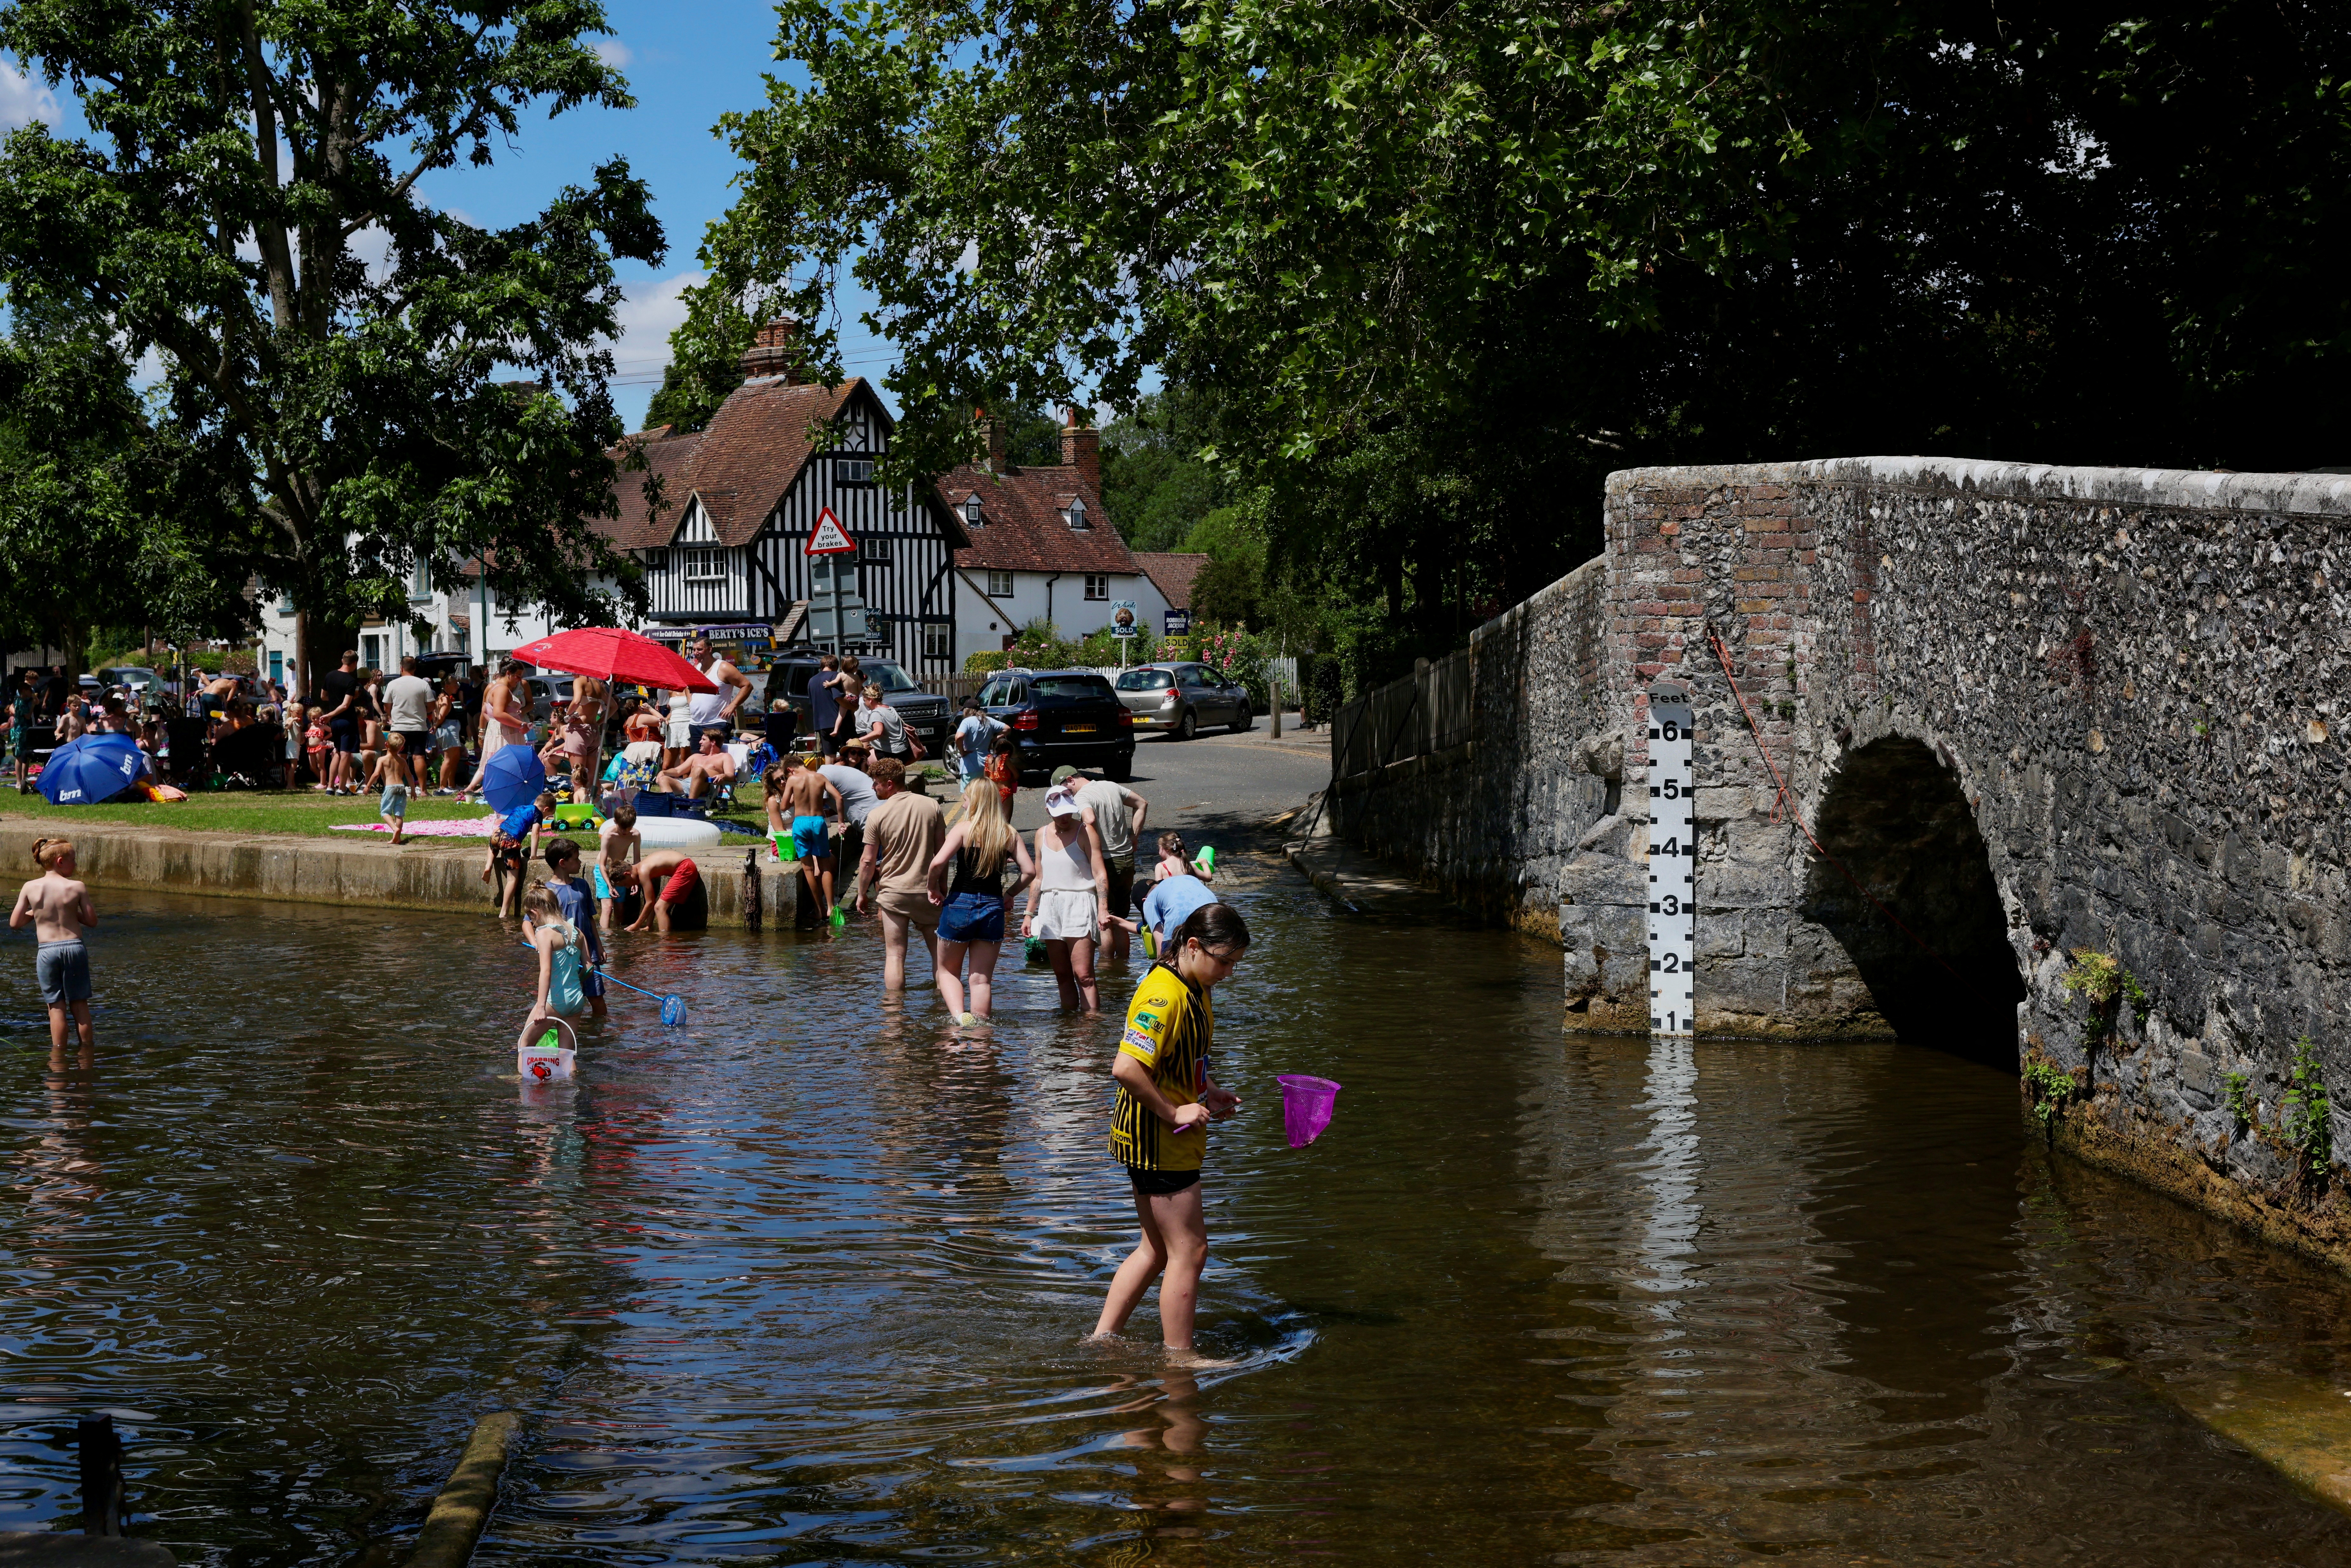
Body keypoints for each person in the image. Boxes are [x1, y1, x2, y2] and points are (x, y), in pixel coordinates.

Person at [1091, 903, 1250, 1356]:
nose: (1229, 972)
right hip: (1157, 1139)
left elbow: (1180, 1056)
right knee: (1191, 1250)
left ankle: (1102, 1339)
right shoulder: (1163, 994)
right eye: (1225, 961)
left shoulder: (1194, 984)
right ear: (1194, 946)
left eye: (1235, 963)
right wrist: (1173, 1111)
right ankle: (1180, 1359)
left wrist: (1210, 1089)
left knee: (1158, 1248)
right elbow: (1125, 1067)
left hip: (1160, 1139)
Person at [925, 778, 1034, 1023]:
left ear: (974, 802)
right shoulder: (1008, 833)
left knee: (947, 971)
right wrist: (1009, 895)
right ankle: (982, 1033)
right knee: (981, 978)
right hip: (993, 907)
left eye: (965, 800)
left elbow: (937, 863)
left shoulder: (964, 829)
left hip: (960, 905)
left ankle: (959, 1018)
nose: (963, 805)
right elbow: (1029, 872)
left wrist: (932, 888)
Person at [854, 757, 946, 991]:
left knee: (895, 956)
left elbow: (867, 860)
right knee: (940, 957)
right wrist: (942, 888)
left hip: (893, 893)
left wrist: (862, 893)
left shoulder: (877, 815)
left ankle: (894, 1017)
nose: (873, 787)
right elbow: (942, 854)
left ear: (889, 784)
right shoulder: (932, 807)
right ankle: (944, 1007)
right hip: (927, 891)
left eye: (876, 783)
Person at [1023, 779, 1110, 1011]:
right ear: (1048, 811)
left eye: (1068, 812)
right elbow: (1038, 877)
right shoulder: (1041, 835)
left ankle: (1091, 1026)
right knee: (1061, 974)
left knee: (1083, 975)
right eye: (1059, 813)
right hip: (1051, 905)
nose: (1064, 818)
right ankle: (1069, 1025)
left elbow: (1100, 872)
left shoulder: (1085, 831)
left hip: (1080, 902)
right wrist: (1029, 913)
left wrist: (1103, 909)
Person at [10, 837, 98, 1065]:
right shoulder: (77, 886)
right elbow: (92, 921)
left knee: (56, 1007)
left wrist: (37, 912)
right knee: (79, 1004)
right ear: (61, 861)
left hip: (47, 951)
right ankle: (87, 1057)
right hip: (74, 948)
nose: (76, 865)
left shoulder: (30, 887)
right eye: (74, 861)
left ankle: (59, 1059)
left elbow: (15, 923)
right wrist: (71, 912)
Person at [1061, 764, 1149, 962]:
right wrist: (1133, 837)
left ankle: (1107, 968)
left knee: (1106, 919)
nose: (1066, 797)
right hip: (1126, 860)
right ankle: (1123, 966)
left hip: (1106, 864)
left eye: (1065, 791)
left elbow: (1089, 818)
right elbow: (1142, 803)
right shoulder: (1111, 785)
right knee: (1120, 919)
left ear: (1071, 780)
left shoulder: (1081, 796)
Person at [541, 838, 609, 1019]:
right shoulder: (547, 892)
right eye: (577, 859)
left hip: (589, 954)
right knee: (561, 1000)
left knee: (597, 999)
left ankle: (598, 1037)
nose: (580, 862)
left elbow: (590, 919)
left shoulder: (582, 886)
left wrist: (599, 946)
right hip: (563, 958)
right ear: (563, 863)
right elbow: (528, 922)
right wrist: (538, 944)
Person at [517, 881, 590, 1050]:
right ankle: (573, 1077)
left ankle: (521, 1078)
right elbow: (589, 968)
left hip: (555, 1001)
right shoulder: (578, 932)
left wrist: (541, 1008)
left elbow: (546, 972)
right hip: (576, 999)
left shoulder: (544, 934)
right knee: (567, 1052)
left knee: (525, 1045)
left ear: (534, 912)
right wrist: (576, 981)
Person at [778, 753, 846, 921]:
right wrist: (841, 822)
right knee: (825, 866)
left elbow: (784, 806)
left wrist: (796, 797)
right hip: (818, 822)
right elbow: (839, 797)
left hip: (801, 823)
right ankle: (831, 907)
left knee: (808, 869)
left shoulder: (793, 781)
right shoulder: (820, 777)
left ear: (790, 770)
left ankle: (819, 910)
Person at [460, 662, 531, 800]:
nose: (519, 680)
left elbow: (487, 711)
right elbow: (498, 714)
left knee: (498, 763)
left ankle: (491, 792)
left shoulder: (495, 687)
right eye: (518, 676)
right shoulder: (502, 689)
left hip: (501, 730)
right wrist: (521, 724)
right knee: (506, 765)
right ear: (509, 673)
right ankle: (499, 795)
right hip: (506, 733)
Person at [484, 787, 555, 918]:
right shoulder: (538, 814)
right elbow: (536, 833)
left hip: (497, 835)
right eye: (548, 816)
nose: (545, 818)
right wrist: (534, 855)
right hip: (510, 842)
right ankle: (504, 913)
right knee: (513, 880)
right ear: (545, 809)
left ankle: (489, 865)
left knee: (493, 846)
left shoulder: (521, 807)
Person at [1139, 840, 1219, 954]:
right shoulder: (1189, 865)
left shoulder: (1161, 867)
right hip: (1202, 908)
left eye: (1160, 848)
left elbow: (1158, 889)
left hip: (1174, 910)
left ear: (1165, 849)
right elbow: (1208, 877)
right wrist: (1205, 864)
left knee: (1171, 950)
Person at [383, 655, 436, 789]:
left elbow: (386, 706)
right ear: (415, 669)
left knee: (399, 756)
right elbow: (431, 706)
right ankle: (423, 790)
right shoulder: (423, 684)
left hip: (399, 727)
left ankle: (397, 786)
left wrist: (391, 714)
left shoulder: (393, 684)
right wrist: (423, 711)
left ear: (401, 668)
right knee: (419, 758)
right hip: (419, 726)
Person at [687, 637, 752, 745]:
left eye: (699, 649)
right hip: (696, 724)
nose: (696, 653)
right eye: (694, 650)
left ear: (710, 649)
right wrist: (691, 700)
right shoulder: (696, 668)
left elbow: (747, 686)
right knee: (698, 761)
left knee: (717, 760)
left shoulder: (723, 667)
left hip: (716, 723)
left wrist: (733, 705)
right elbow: (688, 686)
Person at [625, 849, 707, 934]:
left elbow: (650, 903)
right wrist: (648, 926)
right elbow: (651, 902)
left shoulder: (643, 872)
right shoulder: (642, 867)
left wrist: (636, 925)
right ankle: (665, 938)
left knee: (660, 908)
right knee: (659, 906)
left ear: (627, 874)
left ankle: (665, 941)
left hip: (685, 868)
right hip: (685, 866)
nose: (627, 887)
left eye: (625, 884)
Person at [820, 748, 877, 869]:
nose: (856, 756)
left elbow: (820, 806)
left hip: (872, 818)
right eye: (853, 752)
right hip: (880, 813)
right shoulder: (835, 771)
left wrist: (840, 822)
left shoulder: (823, 775)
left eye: (860, 754)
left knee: (874, 863)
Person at [315, 649, 363, 793]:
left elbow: (323, 696)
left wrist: (332, 713)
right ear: (354, 663)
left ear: (343, 660)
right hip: (347, 720)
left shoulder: (330, 676)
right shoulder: (351, 681)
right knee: (346, 754)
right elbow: (346, 705)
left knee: (337, 752)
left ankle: (330, 787)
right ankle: (342, 788)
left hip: (335, 722)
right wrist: (330, 715)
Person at [595, 801, 642, 930]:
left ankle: (616, 936)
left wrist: (635, 882)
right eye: (622, 827)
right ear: (615, 821)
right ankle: (605, 937)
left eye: (629, 828)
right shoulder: (609, 835)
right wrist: (610, 885)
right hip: (604, 871)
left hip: (619, 872)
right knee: (608, 907)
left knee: (620, 907)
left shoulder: (635, 835)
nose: (625, 831)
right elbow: (602, 865)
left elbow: (637, 862)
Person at [656, 729, 738, 799]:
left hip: (708, 785)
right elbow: (678, 771)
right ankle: (670, 807)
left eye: (704, 740)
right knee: (664, 779)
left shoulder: (725, 757)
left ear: (713, 742)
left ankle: (691, 803)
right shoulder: (696, 757)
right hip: (687, 784)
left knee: (698, 770)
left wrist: (723, 776)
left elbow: (731, 776)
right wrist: (663, 772)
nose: (700, 742)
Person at [365, 733, 411, 843]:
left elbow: (376, 774)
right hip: (401, 788)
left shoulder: (382, 760)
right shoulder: (403, 761)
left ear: (386, 745)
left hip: (390, 788)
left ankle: (395, 829)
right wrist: (413, 791)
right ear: (402, 748)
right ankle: (398, 838)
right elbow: (409, 775)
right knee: (399, 814)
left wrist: (368, 786)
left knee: (385, 812)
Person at [954, 695, 1004, 784]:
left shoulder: (967, 721)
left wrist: (962, 752)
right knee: (984, 793)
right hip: (986, 764)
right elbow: (1007, 729)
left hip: (970, 766)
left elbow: (959, 737)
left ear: (967, 710)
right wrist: (992, 740)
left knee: (969, 795)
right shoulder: (989, 720)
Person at [857, 683, 912, 763]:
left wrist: (858, 740)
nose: (865, 704)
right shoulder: (890, 709)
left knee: (863, 760)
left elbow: (878, 732)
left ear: (870, 699)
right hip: (902, 751)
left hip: (890, 754)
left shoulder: (877, 713)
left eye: (865, 701)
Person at [431, 678, 466, 792]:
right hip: (448, 730)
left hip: (448, 730)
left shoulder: (441, 697)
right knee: (449, 758)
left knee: (455, 758)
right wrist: (436, 725)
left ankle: (452, 785)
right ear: (447, 686)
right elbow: (441, 716)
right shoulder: (445, 699)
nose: (458, 686)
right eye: (455, 684)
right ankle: (442, 787)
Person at [805, 653, 843, 757]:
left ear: (822, 667)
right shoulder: (835, 676)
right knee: (848, 753)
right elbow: (839, 698)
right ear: (836, 666)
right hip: (838, 723)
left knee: (829, 755)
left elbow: (812, 703)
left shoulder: (811, 681)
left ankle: (828, 774)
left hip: (821, 724)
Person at [985, 728, 1020, 808]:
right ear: (1008, 753)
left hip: (994, 793)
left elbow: (986, 777)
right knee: (1006, 819)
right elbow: (1017, 775)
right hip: (1006, 791)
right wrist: (1012, 780)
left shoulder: (988, 759)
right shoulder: (1005, 758)